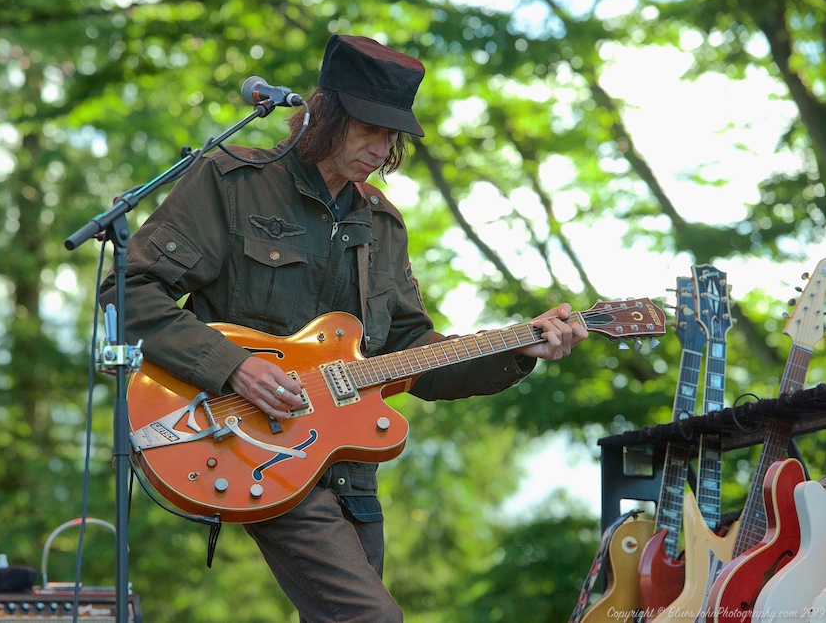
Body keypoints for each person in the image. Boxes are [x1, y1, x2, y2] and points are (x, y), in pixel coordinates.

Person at [100, 34, 588, 622]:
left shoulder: (381, 222)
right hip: (249, 445)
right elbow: (126, 291)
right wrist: (231, 366)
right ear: (324, 113)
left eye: (393, 136)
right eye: (370, 128)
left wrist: (519, 348)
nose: (382, 149)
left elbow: (412, 352)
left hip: (349, 465)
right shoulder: (231, 182)